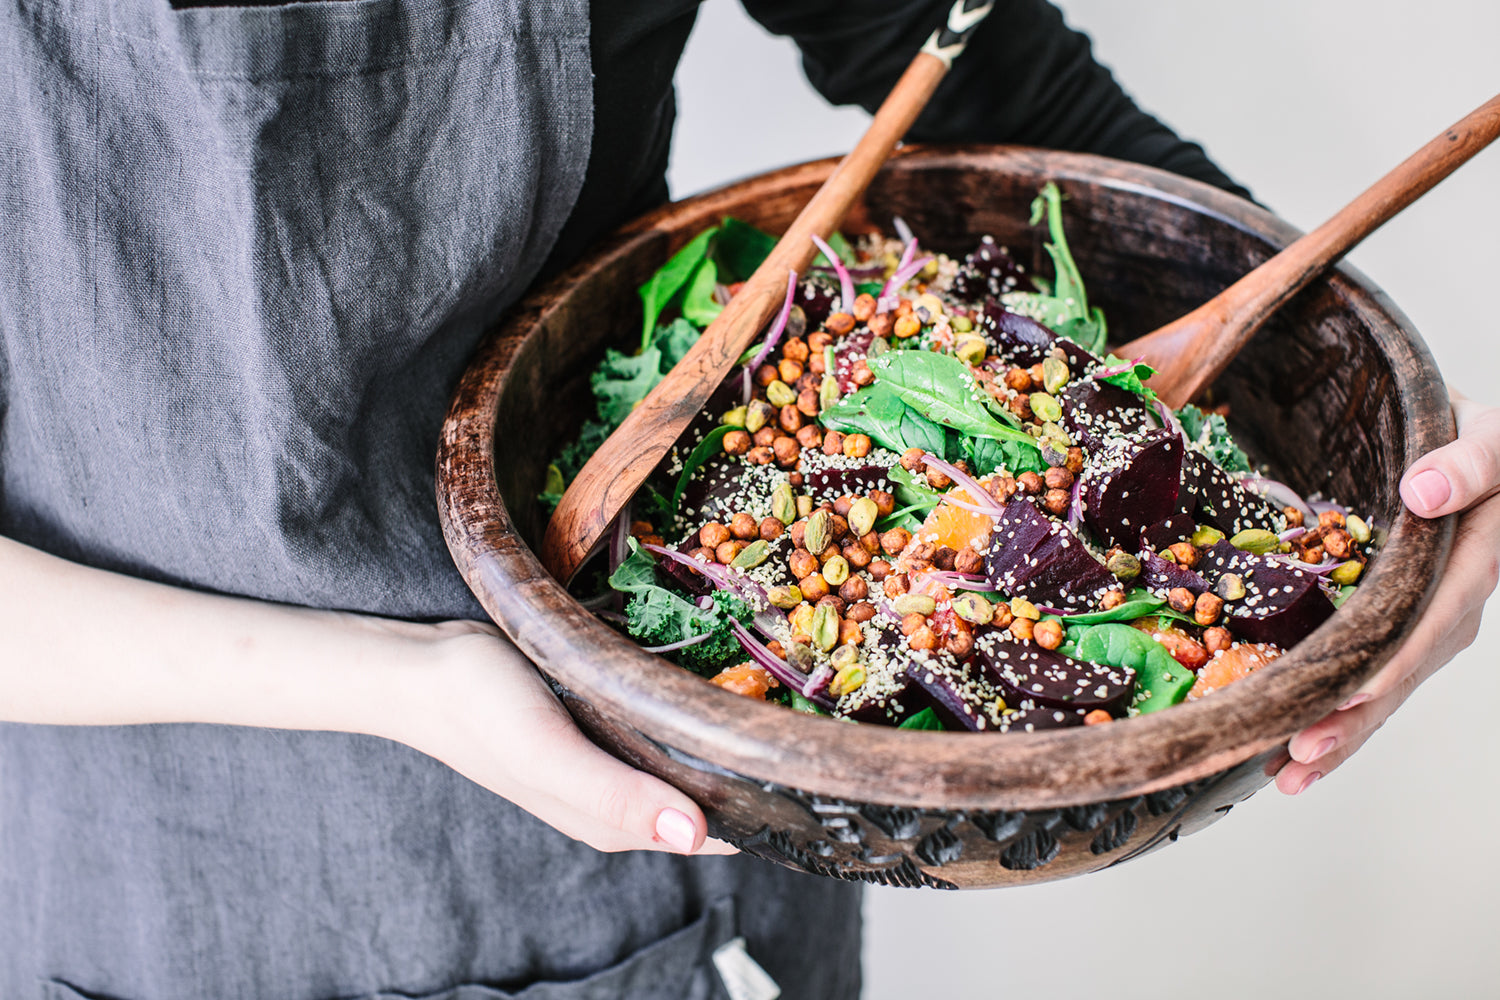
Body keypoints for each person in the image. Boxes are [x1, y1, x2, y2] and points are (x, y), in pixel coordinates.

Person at [0, 0, 1493, 996]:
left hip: (727, 754)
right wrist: (407, 681)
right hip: (162, 840)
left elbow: (977, 62)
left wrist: (1393, 430)